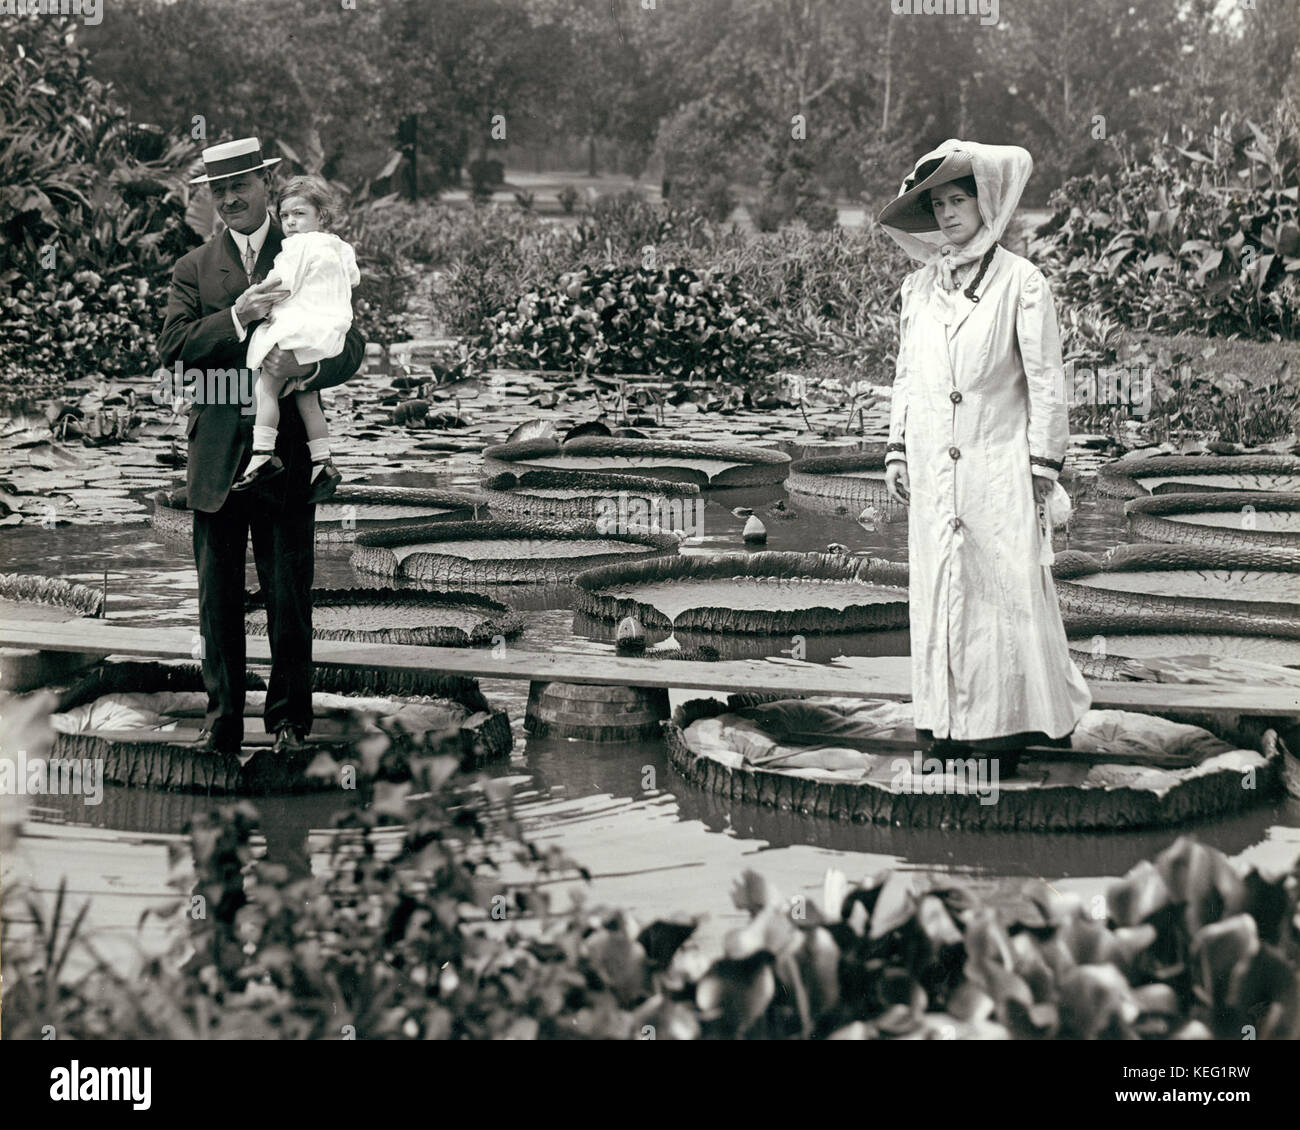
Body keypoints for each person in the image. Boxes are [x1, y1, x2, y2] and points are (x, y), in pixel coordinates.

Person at [877, 139, 1091, 775]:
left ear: (985, 202)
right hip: (934, 469)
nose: (946, 214)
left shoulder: (1022, 284)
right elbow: (906, 375)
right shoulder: (918, 289)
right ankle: (944, 722)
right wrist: (896, 449)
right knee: (940, 586)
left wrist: (1041, 468)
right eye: (937, 204)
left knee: (1005, 591)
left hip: (999, 465)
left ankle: (1008, 726)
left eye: (958, 200)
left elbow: (1047, 383)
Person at [158, 137, 365, 756]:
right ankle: (221, 721)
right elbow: (174, 345)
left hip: (288, 453)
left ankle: (288, 723)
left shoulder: (308, 248)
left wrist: (308, 371)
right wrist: (240, 317)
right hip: (218, 453)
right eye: (218, 192)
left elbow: (350, 345)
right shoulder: (195, 266)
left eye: (239, 187)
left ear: (264, 186)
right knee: (216, 599)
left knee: (288, 595)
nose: (229, 200)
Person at [233, 175, 358, 501]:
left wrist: (259, 296)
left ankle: (262, 455)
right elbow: (352, 277)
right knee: (308, 399)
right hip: (326, 329)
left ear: (322, 216)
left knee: (266, 388)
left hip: (297, 327)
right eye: (285, 215)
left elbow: (283, 283)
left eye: (299, 214)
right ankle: (322, 461)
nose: (290, 222)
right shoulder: (339, 246)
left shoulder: (298, 246)